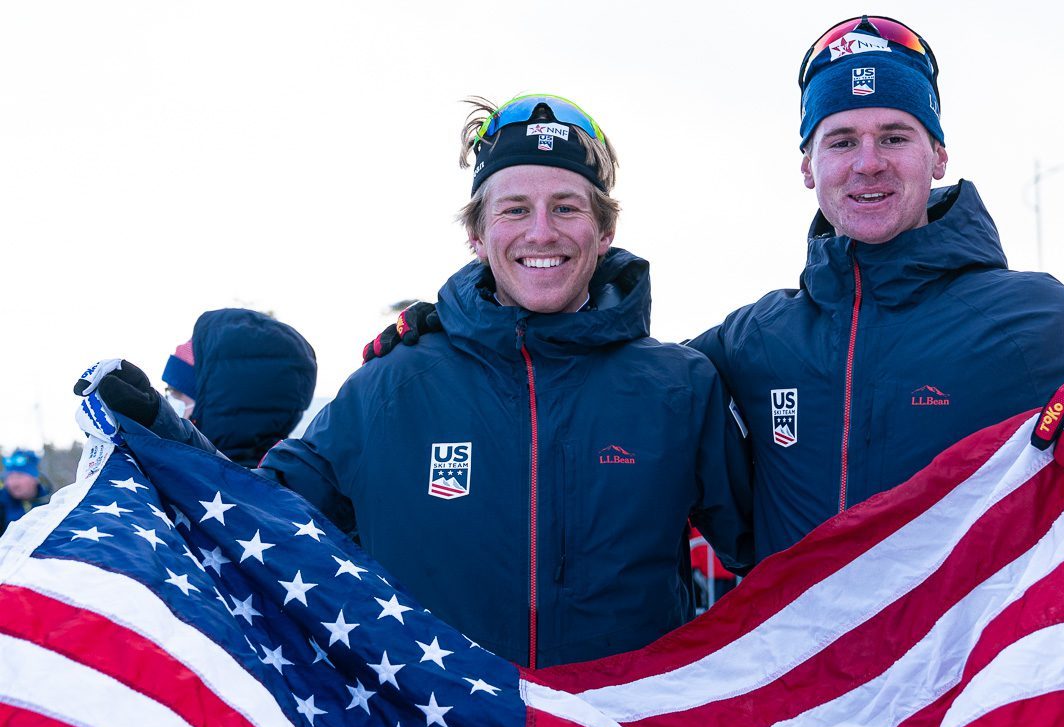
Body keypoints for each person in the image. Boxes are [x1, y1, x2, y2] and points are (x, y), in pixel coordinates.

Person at [363, 17, 1064, 564]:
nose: (868, 164)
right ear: (806, 166)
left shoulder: (1035, 315)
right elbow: (590, 367)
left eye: (895, 136)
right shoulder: (756, 341)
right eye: (842, 140)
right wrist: (456, 326)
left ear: (938, 155)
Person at [78, 95, 753, 669]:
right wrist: (160, 437)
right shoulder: (388, 390)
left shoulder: (679, 388)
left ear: (604, 230)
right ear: (477, 234)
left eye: (567, 207)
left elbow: (773, 560)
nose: (541, 231)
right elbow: (254, 515)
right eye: (514, 208)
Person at [160, 309, 318, 468]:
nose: (171, 410)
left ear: (222, 403)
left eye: (178, 395)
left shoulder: (186, 483)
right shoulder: (288, 479)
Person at [0, 449, 51, 536]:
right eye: (9, 477)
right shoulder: (2, 505)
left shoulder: (51, 504)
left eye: (19, 476)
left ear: (35, 478)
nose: (13, 483)